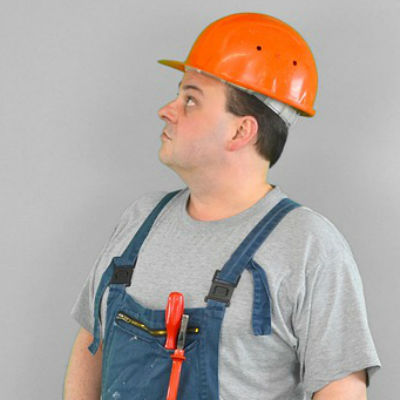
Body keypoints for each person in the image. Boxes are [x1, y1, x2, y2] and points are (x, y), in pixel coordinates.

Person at [63, 12, 382, 400]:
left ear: (241, 130)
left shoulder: (309, 247)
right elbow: (90, 344)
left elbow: (341, 392)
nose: (167, 110)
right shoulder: (140, 220)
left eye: (191, 99)